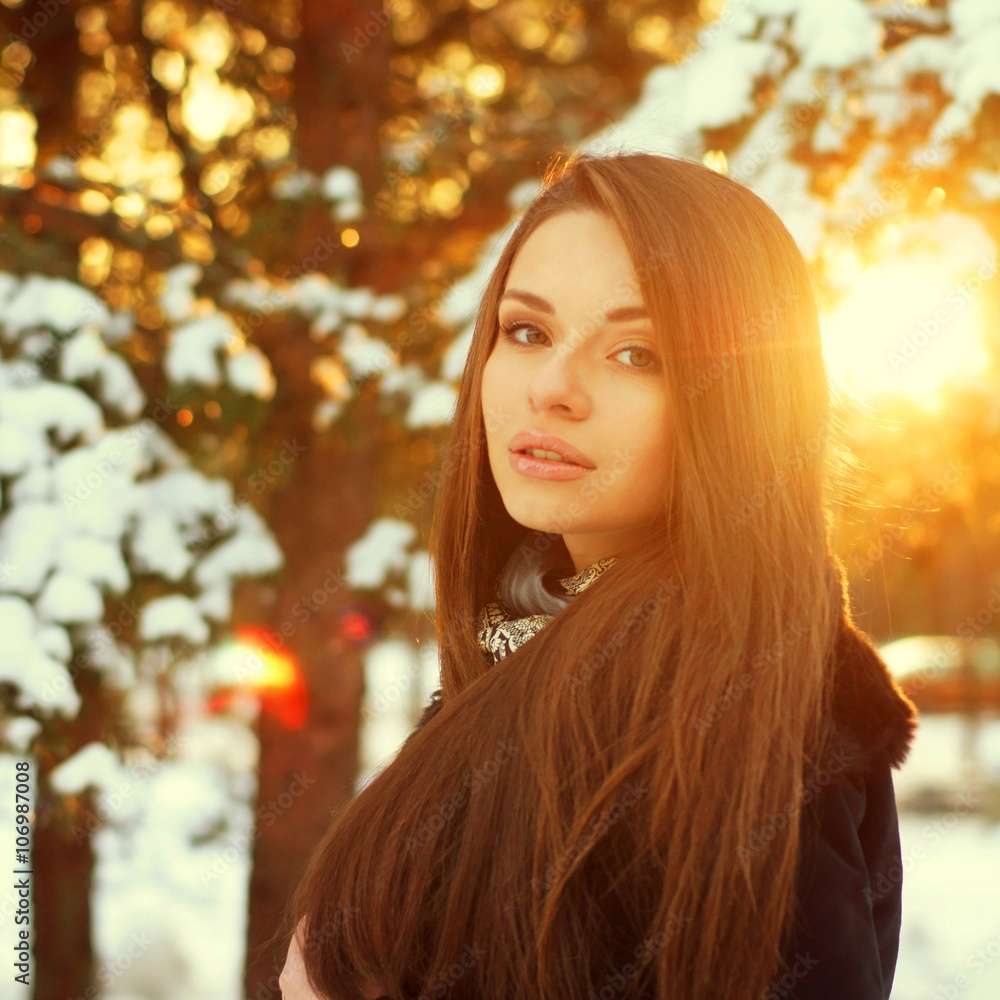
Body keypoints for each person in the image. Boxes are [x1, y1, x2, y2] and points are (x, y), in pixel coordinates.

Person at [278, 151, 918, 1000]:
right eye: (528, 331)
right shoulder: (523, 650)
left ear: (742, 403)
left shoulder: (745, 728)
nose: (551, 387)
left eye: (636, 354)